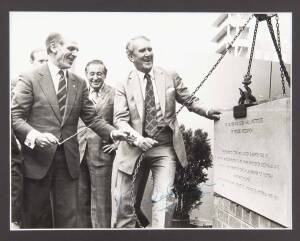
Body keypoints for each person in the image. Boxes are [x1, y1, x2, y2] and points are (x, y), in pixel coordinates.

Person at [11, 32, 129, 228]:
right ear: (53, 47)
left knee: (68, 221)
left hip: (68, 163)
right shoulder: (29, 78)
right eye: (71, 49)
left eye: (77, 50)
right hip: (36, 162)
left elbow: (92, 118)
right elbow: (15, 117)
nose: (75, 53)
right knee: (35, 220)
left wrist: (112, 132)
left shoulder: (79, 82)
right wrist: (35, 136)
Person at [112, 36, 220, 228]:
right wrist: (137, 139)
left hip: (164, 148)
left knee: (162, 201)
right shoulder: (122, 84)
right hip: (133, 148)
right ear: (131, 57)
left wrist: (207, 110)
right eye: (142, 51)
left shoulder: (169, 75)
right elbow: (120, 120)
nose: (148, 54)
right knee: (125, 204)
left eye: (149, 49)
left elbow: (190, 99)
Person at [11, 48, 49, 229]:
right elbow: (15, 117)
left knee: (41, 210)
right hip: (19, 154)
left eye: (47, 61)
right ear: (31, 63)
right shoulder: (20, 83)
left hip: (41, 156)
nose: (45, 65)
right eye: (41, 61)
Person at [77, 60, 116, 228]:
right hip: (78, 153)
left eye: (99, 73)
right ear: (86, 75)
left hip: (102, 154)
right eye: (91, 74)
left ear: (105, 75)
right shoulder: (79, 93)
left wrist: (118, 145)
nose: (95, 77)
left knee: (101, 202)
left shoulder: (115, 94)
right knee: (80, 200)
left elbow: (124, 121)